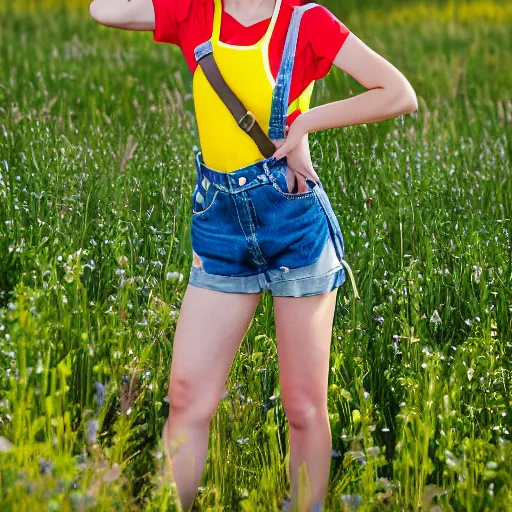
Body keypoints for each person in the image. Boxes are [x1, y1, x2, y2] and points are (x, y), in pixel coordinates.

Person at [89, 1, 418, 511]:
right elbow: (102, 10)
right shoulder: (196, 12)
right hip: (221, 229)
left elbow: (399, 93)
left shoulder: (305, 20)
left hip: (293, 226)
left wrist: (305, 122)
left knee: (303, 407)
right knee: (186, 395)